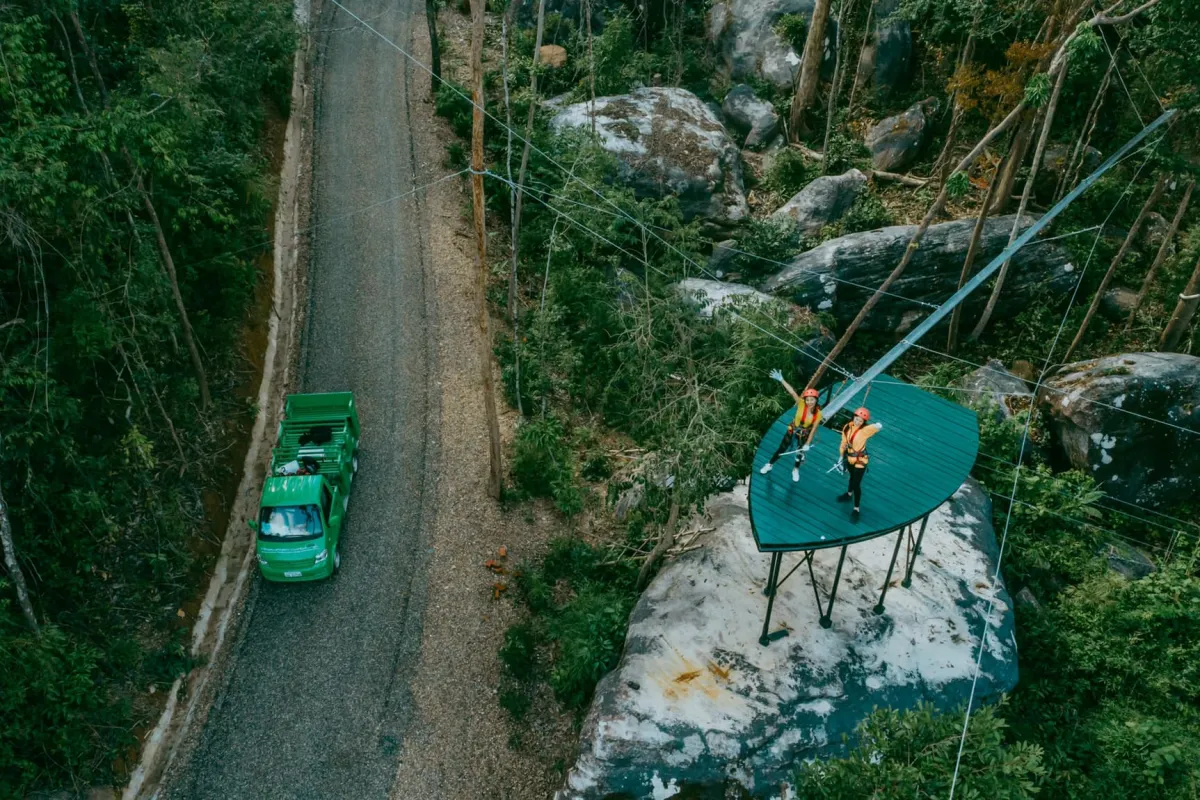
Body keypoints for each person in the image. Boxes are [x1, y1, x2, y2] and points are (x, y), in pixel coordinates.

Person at [759, 369, 823, 482]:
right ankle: (769, 464)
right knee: (782, 448)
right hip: (793, 430)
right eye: (808, 400)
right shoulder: (801, 404)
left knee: (799, 453)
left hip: (804, 434)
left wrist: (807, 444)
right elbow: (792, 392)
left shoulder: (818, 414)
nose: (809, 402)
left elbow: (813, 429)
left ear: (816, 400)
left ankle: (795, 470)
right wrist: (781, 380)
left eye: (812, 400)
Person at [837, 407, 883, 520]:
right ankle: (848, 494)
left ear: (864, 422)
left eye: (860, 421)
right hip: (849, 457)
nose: (858, 422)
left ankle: (856, 508)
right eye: (856, 419)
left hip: (860, 460)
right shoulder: (847, 427)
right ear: (854, 417)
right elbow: (843, 442)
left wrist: (877, 425)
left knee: (856, 484)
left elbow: (877, 427)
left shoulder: (865, 430)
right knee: (851, 477)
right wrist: (841, 456)